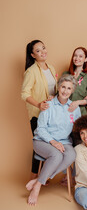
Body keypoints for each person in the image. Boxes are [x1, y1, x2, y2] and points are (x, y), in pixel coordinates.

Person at [26, 74, 81, 206]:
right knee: (56, 155)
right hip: (42, 141)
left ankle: (38, 180)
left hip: (64, 141)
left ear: (72, 90)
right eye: (63, 87)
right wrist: (53, 142)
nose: (65, 91)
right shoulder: (48, 105)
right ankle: (38, 186)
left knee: (72, 154)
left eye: (69, 88)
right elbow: (40, 129)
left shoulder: (74, 108)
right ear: (58, 87)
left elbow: (79, 127)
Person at [21, 40, 57, 180]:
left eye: (43, 48)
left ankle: (44, 176)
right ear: (33, 55)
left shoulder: (52, 68)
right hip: (37, 115)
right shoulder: (31, 71)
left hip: (51, 114)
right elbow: (24, 93)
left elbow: (53, 90)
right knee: (39, 145)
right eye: (38, 51)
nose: (43, 52)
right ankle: (33, 177)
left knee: (50, 144)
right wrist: (38, 105)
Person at [63, 46, 87, 116]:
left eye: (80, 56)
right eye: (75, 55)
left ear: (85, 59)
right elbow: (58, 94)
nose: (77, 58)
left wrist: (77, 102)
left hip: (80, 113)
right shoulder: (65, 74)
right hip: (64, 112)